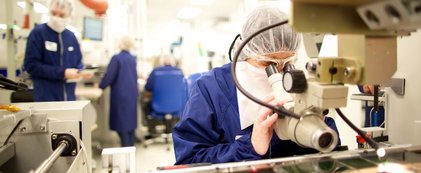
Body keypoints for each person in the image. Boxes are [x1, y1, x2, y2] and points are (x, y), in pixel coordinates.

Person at [172, 6, 340, 164]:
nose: (279, 72)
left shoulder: (297, 81)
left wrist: (314, 124)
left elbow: (330, 150)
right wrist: (250, 146)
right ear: (246, 51)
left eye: (287, 62)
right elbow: (189, 159)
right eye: (269, 63)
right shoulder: (211, 88)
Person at [24, 0, 88, 102]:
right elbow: (31, 66)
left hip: (69, 97)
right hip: (46, 97)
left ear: (70, 15)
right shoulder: (38, 33)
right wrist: (63, 73)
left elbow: (78, 62)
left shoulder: (71, 37)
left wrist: (82, 72)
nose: (56, 18)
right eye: (53, 13)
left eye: (62, 15)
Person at [99, 36, 138, 147]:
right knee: (129, 125)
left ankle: (125, 149)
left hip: (120, 95)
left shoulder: (117, 58)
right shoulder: (132, 58)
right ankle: (130, 148)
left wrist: (100, 85)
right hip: (131, 94)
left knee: (122, 125)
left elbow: (109, 77)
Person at [143, 54, 183, 135]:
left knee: (145, 104)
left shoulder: (155, 72)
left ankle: (152, 131)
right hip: (176, 106)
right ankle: (169, 130)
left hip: (157, 106)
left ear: (161, 61)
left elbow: (148, 88)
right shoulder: (180, 72)